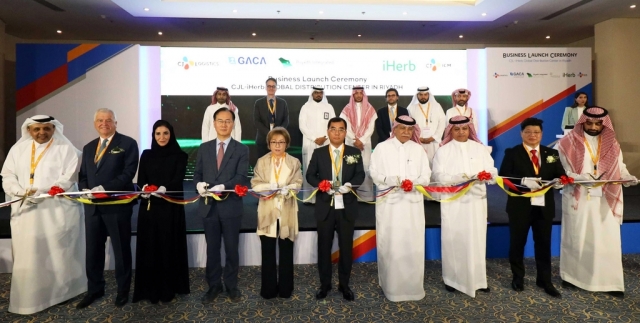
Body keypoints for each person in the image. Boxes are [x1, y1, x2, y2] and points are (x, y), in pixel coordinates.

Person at [1, 115, 86, 314]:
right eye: (37, 129)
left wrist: (43, 190)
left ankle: (61, 294)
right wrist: (19, 191)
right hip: (27, 211)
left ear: (53, 129)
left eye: (46, 129)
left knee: (58, 254)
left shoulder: (66, 149)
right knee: (29, 254)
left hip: (55, 211)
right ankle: (30, 298)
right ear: (29, 130)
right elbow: (7, 175)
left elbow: (69, 177)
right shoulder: (18, 150)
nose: (42, 133)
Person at [557, 106, 638, 298]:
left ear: (604, 124)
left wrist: (628, 178)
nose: (593, 126)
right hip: (579, 197)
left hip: (605, 198)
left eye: (598, 123)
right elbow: (562, 171)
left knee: (607, 240)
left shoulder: (612, 144)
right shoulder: (567, 143)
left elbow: (621, 167)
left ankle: (609, 281)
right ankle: (572, 277)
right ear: (582, 121)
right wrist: (580, 177)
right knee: (578, 237)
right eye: (589, 122)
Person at [77, 108, 140, 308]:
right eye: (100, 120)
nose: (104, 123)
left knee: (121, 251)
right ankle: (95, 289)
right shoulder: (88, 147)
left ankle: (123, 292)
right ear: (95, 123)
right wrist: (85, 189)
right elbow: (83, 175)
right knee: (93, 251)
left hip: (117, 207)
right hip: (93, 208)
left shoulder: (128, 143)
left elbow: (128, 172)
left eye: (108, 120)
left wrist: (105, 188)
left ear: (115, 122)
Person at [498, 117, 565, 298]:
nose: (532, 135)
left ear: (541, 134)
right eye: (528, 132)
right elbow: (504, 176)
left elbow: (560, 174)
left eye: (536, 132)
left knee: (543, 244)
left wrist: (560, 181)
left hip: (544, 207)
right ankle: (518, 277)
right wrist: (522, 182)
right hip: (520, 206)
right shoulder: (512, 152)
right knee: (517, 243)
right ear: (522, 134)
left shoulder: (551, 153)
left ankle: (544, 280)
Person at [431, 116, 497, 298]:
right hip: (454, 203)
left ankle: (478, 280)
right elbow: (438, 175)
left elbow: (492, 171)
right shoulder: (443, 151)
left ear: (470, 130)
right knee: (455, 238)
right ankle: (452, 279)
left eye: (464, 129)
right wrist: (460, 177)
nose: (461, 132)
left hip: (476, 201)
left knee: (476, 238)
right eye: (457, 129)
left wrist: (486, 175)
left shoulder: (480, 148)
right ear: (450, 131)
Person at [369, 115, 431, 302]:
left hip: (412, 206)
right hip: (390, 206)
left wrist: (413, 183)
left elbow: (426, 176)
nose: (405, 132)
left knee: (412, 242)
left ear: (413, 131)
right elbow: (373, 172)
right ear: (394, 129)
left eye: (409, 129)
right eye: (402, 128)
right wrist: (388, 180)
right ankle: (390, 286)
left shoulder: (418, 150)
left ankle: (413, 287)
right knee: (391, 242)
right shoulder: (382, 148)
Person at [306, 117, 365, 301]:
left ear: (345, 132)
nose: (337, 133)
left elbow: (360, 174)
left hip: (346, 205)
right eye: (333, 129)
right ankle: (325, 285)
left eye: (341, 129)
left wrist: (351, 185)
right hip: (325, 205)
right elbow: (310, 175)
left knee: (346, 248)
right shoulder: (319, 153)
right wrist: (321, 184)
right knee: (324, 247)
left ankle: (344, 285)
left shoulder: (354, 152)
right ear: (328, 131)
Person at [194, 107, 249, 303]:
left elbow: (242, 177)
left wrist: (224, 186)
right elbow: (197, 174)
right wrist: (198, 184)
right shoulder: (204, 147)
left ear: (233, 124)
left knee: (232, 249)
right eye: (220, 120)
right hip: (209, 207)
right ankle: (214, 285)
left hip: (231, 206)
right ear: (214, 123)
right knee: (212, 248)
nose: (224, 124)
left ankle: (231, 285)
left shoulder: (242, 149)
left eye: (228, 121)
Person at [133, 120, 190, 304]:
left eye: (165, 133)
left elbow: (177, 179)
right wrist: (145, 190)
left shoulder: (180, 155)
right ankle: (149, 289)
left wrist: (164, 188)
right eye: (158, 133)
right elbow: (141, 180)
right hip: (150, 210)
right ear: (153, 135)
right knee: (150, 247)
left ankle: (168, 289)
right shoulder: (146, 155)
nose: (162, 137)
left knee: (167, 247)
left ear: (171, 135)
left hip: (170, 209)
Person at [251, 127, 303, 299]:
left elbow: (298, 182)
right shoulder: (262, 161)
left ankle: (286, 289)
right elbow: (255, 184)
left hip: (287, 209)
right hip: (268, 210)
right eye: (274, 142)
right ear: (269, 144)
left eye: (281, 142)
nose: (277, 145)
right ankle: (268, 289)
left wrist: (290, 188)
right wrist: (269, 187)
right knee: (268, 251)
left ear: (287, 144)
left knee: (286, 250)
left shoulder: (294, 162)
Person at [339, 86, 377, 202]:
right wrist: (355, 140)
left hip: (365, 144)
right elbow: (345, 127)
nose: (359, 95)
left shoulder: (370, 109)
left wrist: (362, 141)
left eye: (361, 93)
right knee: (351, 167)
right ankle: (351, 195)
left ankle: (366, 196)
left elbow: (371, 128)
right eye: (357, 93)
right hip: (351, 143)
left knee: (365, 167)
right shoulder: (347, 109)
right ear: (353, 95)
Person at [299, 87, 335, 203]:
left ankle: (325, 195)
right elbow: (302, 126)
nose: (318, 95)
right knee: (310, 170)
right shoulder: (305, 107)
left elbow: (333, 124)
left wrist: (324, 137)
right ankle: (310, 198)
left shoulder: (329, 107)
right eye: (316, 93)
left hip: (326, 142)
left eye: (320, 93)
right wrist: (315, 138)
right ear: (312, 94)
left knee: (326, 169)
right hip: (310, 143)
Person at [406, 87, 446, 165]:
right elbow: (409, 125)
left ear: (429, 95)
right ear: (417, 96)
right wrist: (418, 138)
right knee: (419, 164)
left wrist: (434, 137)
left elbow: (442, 122)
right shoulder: (411, 108)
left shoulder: (437, 106)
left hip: (434, 142)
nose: (423, 97)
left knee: (436, 165)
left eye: (425, 94)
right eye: (420, 95)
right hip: (418, 142)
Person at [253, 77, 289, 158]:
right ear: (266, 87)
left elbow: (286, 120)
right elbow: (256, 121)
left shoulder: (282, 103)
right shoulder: (258, 103)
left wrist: (277, 132)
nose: (271, 88)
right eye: (269, 86)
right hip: (263, 139)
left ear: (276, 88)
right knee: (263, 165)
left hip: (279, 140)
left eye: (273, 86)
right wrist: (269, 133)